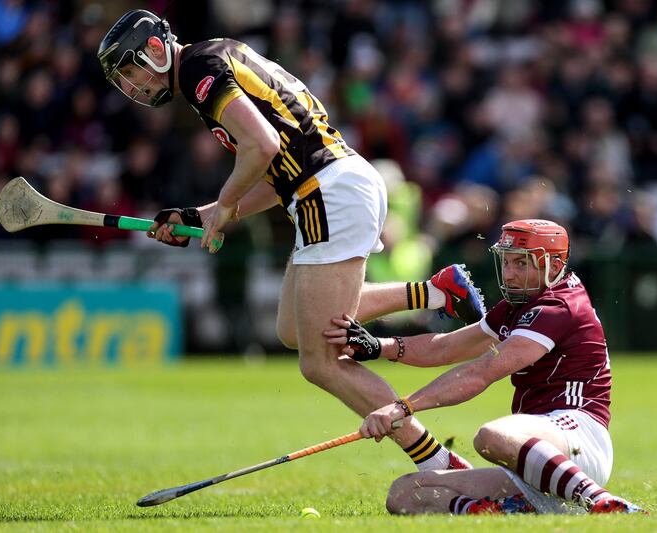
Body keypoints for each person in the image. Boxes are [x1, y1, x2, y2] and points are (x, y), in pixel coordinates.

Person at [97, 10, 486, 472]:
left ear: (158, 51)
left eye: (132, 69)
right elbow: (271, 171)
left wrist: (224, 203)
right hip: (324, 190)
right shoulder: (212, 60)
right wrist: (199, 216)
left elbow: (260, 146)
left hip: (328, 193)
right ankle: (437, 292)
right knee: (292, 328)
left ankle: (439, 465)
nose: (132, 85)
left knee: (319, 360)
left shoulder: (201, 67)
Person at [325, 219, 647, 515]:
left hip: (576, 435)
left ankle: (601, 500)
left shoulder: (559, 306)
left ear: (554, 265)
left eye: (521, 262)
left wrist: (401, 408)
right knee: (406, 492)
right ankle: (505, 512)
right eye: (505, 260)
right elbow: (449, 346)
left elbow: (481, 371)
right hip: (533, 452)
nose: (508, 273)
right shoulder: (519, 305)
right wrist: (379, 347)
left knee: (491, 436)